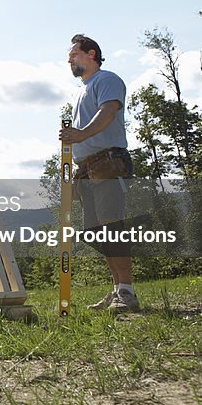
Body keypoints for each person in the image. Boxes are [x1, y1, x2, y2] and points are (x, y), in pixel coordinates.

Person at [60, 33, 138, 314]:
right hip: (87, 169)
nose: (70, 60)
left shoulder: (107, 80)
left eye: (74, 55)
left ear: (91, 54)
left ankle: (126, 291)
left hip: (108, 162)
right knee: (95, 232)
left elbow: (107, 113)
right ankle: (117, 289)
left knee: (112, 227)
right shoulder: (82, 89)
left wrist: (80, 134)